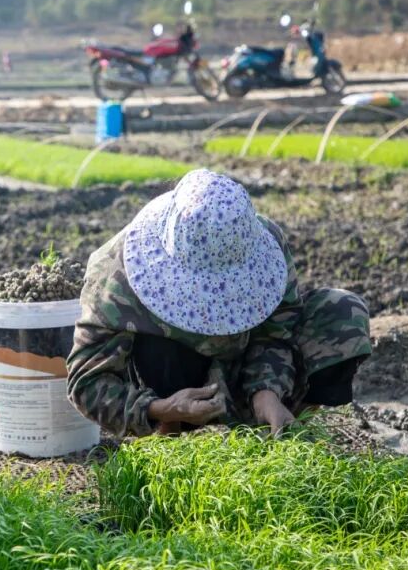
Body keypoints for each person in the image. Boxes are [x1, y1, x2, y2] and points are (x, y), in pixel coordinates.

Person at [67, 168, 371, 438]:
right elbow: (86, 383)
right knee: (161, 349)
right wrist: (160, 409)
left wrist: (267, 391)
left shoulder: (262, 242)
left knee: (342, 311)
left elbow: (277, 332)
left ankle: (281, 431)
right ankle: (167, 440)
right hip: (172, 388)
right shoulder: (115, 273)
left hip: (239, 369)